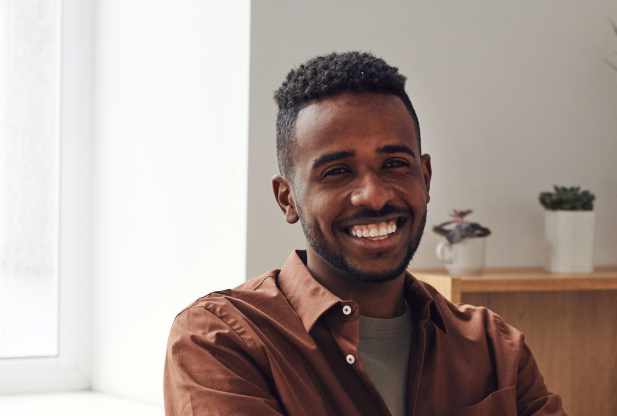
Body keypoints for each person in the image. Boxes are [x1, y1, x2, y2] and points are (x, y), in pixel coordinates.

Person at [163, 52, 565, 415]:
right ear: (287, 199)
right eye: (337, 171)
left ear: (424, 178)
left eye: (394, 164)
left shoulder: (495, 349)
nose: (373, 196)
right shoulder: (220, 341)